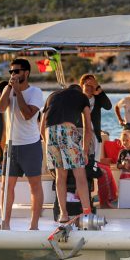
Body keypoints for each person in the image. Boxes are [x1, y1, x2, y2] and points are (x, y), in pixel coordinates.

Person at [0, 59, 45, 230]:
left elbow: (27, 115)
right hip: (12, 145)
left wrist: (18, 92)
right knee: (6, 187)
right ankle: (5, 223)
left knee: (35, 186)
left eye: (17, 71)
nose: (13, 75)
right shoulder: (8, 90)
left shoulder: (36, 92)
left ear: (26, 73)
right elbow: (0, 108)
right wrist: (9, 89)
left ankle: (34, 225)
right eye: (11, 72)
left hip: (30, 144)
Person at [42, 84, 96, 223]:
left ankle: (63, 214)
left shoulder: (52, 95)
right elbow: (88, 128)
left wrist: (48, 141)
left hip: (50, 133)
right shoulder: (82, 97)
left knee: (61, 176)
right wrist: (84, 152)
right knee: (80, 174)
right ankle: (87, 213)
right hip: (67, 131)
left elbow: (42, 127)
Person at [80, 74, 112, 161]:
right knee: (81, 163)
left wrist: (98, 88)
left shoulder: (98, 98)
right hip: (80, 136)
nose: (90, 88)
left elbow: (108, 106)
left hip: (96, 136)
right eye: (87, 85)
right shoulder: (78, 99)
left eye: (92, 85)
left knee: (95, 163)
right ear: (82, 85)